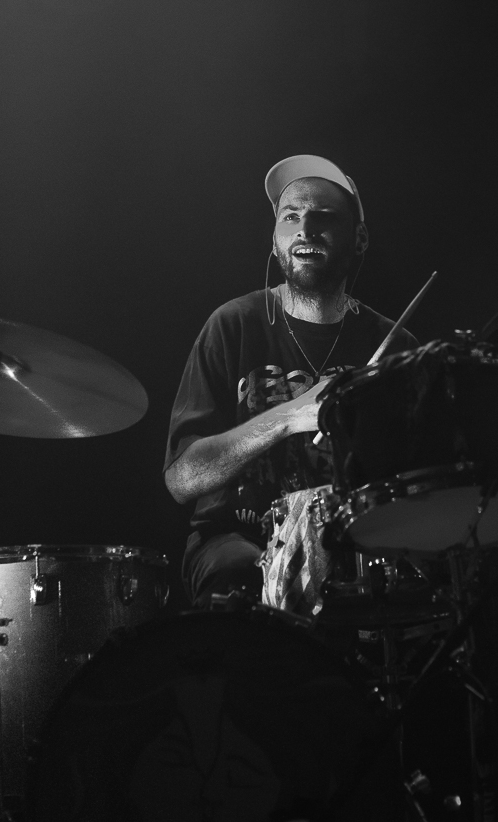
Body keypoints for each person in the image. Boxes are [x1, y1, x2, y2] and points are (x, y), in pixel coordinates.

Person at [164, 154, 417, 609]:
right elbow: (183, 479)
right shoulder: (233, 326)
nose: (305, 229)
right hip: (238, 539)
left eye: (324, 217)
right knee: (240, 574)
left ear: (359, 238)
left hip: (357, 542)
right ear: (275, 239)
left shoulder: (394, 346)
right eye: (291, 217)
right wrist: (288, 417)